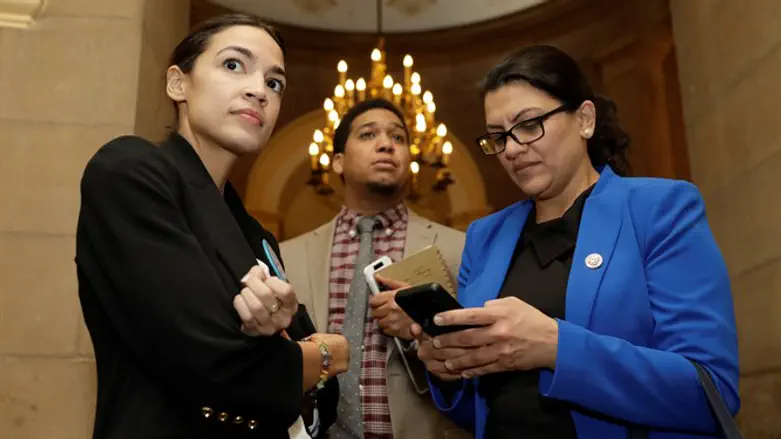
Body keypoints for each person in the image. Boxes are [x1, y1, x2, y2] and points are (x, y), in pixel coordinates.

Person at [410, 45, 740, 439]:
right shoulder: (485, 237)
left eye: (529, 124)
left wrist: (555, 346)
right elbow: (483, 408)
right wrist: (448, 371)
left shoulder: (659, 209)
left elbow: (710, 391)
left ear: (584, 119)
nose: (511, 149)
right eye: (497, 137)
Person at [75, 13, 349, 439]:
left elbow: (324, 401)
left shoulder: (254, 233)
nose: (259, 90)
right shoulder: (130, 172)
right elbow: (212, 360)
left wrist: (284, 342)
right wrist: (330, 353)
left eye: (274, 83)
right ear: (178, 84)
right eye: (233, 65)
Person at [280, 99, 471, 439]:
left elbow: (477, 359)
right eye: (368, 134)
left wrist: (420, 331)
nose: (386, 144)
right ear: (338, 161)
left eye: (398, 137)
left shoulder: (457, 248)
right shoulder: (289, 256)